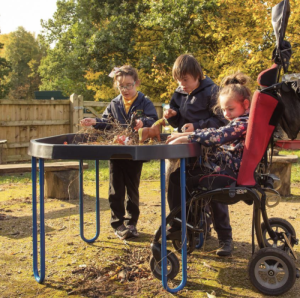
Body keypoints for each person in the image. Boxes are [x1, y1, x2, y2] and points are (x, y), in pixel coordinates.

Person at [166, 71, 252, 256]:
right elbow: (219, 131)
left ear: (245, 105)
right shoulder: (241, 120)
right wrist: (184, 134)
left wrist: (187, 136)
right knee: (184, 176)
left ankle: (182, 226)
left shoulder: (243, 123)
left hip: (228, 171)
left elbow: (219, 135)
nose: (226, 114)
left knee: (179, 178)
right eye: (223, 110)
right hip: (224, 167)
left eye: (230, 109)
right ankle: (188, 227)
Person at [80, 65, 158, 240]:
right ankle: (118, 223)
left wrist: (143, 122)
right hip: (116, 151)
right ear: (117, 86)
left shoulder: (144, 101)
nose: (125, 89)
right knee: (115, 189)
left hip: (134, 152)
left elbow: (153, 120)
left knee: (132, 188)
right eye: (121, 86)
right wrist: (94, 121)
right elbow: (107, 122)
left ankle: (131, 222)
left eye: (129, 85)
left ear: (136, 83)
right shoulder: (114, 103)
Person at [164, 53, 230, 254]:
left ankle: (225, 238)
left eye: (185, 79)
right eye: (178, 80)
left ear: (197, 75)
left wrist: (198, 127)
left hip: (209, 151)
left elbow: (222, 122)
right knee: (177, 184)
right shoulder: (179, 93)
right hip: (185, 150)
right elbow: (178, 121)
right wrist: (171, 117)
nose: (181, 84)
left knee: (214, 193)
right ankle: (184, 227)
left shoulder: (212, 91)